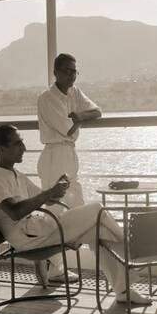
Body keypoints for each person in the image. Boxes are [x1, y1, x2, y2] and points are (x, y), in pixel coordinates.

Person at [0, 124, 151, 305]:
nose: (24, 148)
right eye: (17, 143)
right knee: (96, 210)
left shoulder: (16, 174)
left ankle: (123, 290)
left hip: (39, 229)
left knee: (99, 231)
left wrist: (56, 191)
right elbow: (15, 212)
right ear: (1, 149)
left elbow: (45, 199)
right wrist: (47, 194)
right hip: (27, 238)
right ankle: (135, 253)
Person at [37, 53, 101, 209]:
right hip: (55, 156)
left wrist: (79, 116)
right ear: (55, 72)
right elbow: (69, 130)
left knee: (77, 205)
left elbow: (97, 111)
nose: (71, 75)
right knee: (55, 209)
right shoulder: (47, 98)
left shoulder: (75, 92)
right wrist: (80, 120)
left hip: (69, 155)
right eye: (67, 71)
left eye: (74, 71)